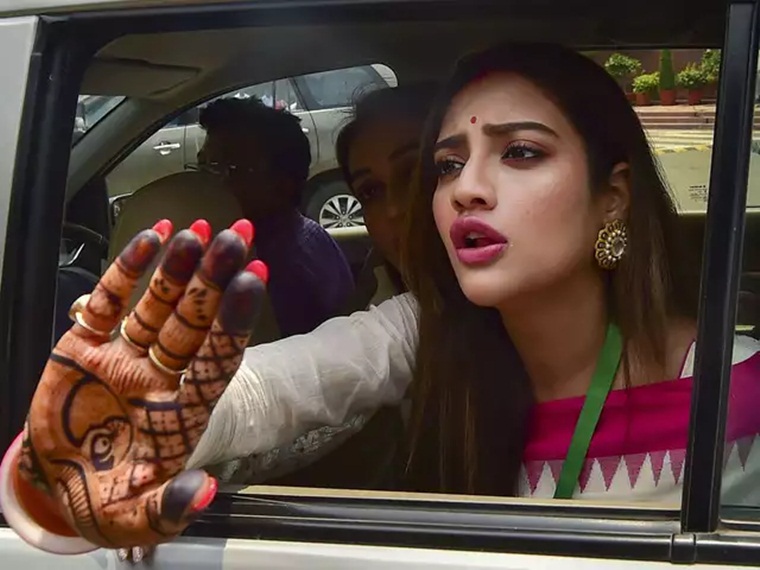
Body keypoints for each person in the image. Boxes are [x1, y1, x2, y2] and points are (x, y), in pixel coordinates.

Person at [5, 43, 760, 556]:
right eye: (448, 165)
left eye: (521, 152)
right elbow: (276, 387)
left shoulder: (738, 390)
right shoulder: (421, 331)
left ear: (612, 196)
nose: (465, 188)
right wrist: (121, 429)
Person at [197, 97, 355, 337]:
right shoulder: (304, 234)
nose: (207, 182)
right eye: (203, 166)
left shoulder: (278, 274)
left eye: (227, 168)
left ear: (283, 184)